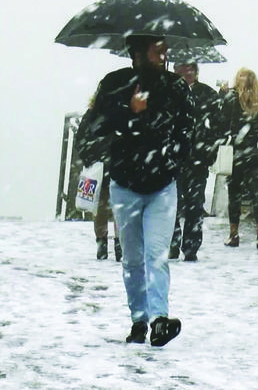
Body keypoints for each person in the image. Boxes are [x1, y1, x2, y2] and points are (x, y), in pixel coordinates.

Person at [91, 34, 192, 346]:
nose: (163, 56)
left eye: (165, 50)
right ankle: (139, 319)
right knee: (133, 258)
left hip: (162, 185)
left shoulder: (176, 87)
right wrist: (130, 111)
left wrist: (172, 159)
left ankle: (160, 318)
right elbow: (97, 126)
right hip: (125, 184)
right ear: (137, 53)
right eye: (156, 50)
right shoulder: (113, 84)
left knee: (156, 254)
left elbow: (186, 130)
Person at [168, 61, 222, 262]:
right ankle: (172, 243)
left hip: (198, 158)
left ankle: (191, 246)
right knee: (171, 202)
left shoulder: (208, 95)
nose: (179, 75)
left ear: (193, 72)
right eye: (176, 71)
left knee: (195, 203)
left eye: (182, 71)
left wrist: (209, 151)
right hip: (174, 157)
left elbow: (217, 126)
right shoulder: (169, 93)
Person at [221, 68, 258, 250]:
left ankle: (234, 235)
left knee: (234, 194)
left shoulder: (231, 98)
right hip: (257, 154)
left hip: (237, 153)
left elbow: (222, 123)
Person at [74, 94, 121, 261]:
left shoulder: (93, 115)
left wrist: (91, 157)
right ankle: (117, 245)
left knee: (103, 208)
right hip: (112, 167)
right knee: (114, 208)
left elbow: (81, 140)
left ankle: (106, 244)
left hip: (106, 167)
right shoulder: (119, 114)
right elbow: (81, 140)